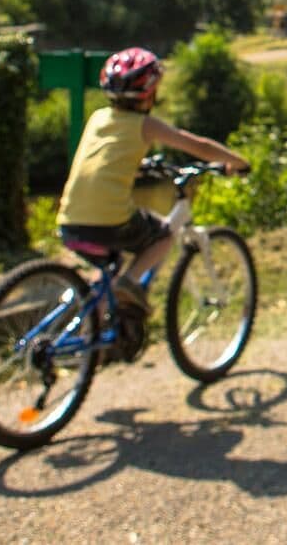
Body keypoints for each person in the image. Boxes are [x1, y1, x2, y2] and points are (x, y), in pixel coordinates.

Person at [56, 47, 250, 350]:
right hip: (110, 220)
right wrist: (237, 161)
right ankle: (130, 283)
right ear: (150, 94)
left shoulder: (98, 118)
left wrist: (138, 166)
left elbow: (102, 163)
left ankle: (90, 334)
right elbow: (196, 144)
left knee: (107, 266)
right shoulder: (145, 125)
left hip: (70, 219)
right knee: (163, 235)